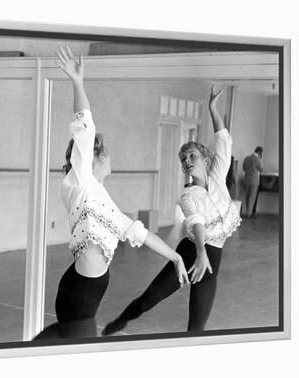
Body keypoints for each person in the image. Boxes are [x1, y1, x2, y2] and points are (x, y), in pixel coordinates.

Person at [33, 47, 189, 340]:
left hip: (84, 291)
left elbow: (138, 233)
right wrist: (77, 83)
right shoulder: (81, 181)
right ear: (97, 158)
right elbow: (84, 129)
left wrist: (176, 258)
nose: (111, 157)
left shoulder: (100, 198)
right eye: (108, 153)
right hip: (79, 295)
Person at [102, 86, 242, 335]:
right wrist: (200, 253)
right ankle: (122, 319)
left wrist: (212, 109)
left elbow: (223, 141)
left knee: (197, 328)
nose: (187, 162)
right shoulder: (187, 196)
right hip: (192, 252)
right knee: (149, 299)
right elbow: (196, 222)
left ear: (205, 159)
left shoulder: (218, 176)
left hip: (212, 261)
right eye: (183, 159)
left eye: (191, 156)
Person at [242, 146, 264, 218]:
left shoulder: (247, 158)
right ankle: (249, 214)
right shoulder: (257, 159)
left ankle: (243, 213)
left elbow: (244, 168)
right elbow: (261, 169)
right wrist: (260, 159)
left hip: (246, 180)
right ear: (260, 152)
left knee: (245, 197)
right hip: (254, 181)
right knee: (252, 197)